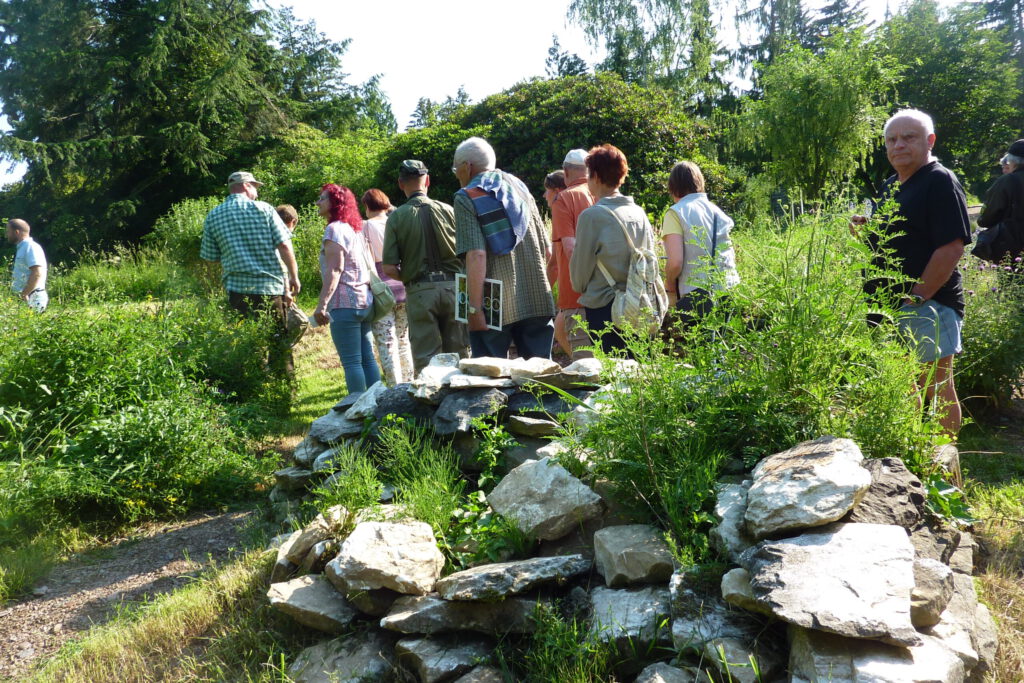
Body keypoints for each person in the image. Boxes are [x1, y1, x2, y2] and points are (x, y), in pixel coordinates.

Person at [852, 109, 971, 437]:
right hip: (886, 304)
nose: (898, 145)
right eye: (891, 140)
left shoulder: (938, 180)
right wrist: (864, 230)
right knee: (902, 383)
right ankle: (910, 455)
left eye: (909, 137)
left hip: (925, 303)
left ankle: (944, 464)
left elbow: (951, 246)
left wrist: (917, 295)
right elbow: (890, 240)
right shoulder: (891, 185)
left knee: (937, 386)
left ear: (930, 141)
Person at [453, 137, 555, 360]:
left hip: (493, 307)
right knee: (542, 382)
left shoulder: (466, 196)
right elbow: (547, 250)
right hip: (537, 297)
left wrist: (474, 309)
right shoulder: (519, 187)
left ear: (466, 167)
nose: (456, 174)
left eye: (455, 169)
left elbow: (476, 255)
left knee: (489, 385)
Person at [201, 171, 300, 375]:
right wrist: (294, 276)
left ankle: (251, 390)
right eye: (255, 186)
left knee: (244, 343)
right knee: (278, 342)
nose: (256, 190)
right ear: (246, 185)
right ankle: (283, 392)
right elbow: (284, 244)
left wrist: (235, 253)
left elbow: (210, 256)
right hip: (270, 288)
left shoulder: (214, 215)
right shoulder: (264, 209)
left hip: (237, 291)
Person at [569, 144, 658, 355]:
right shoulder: (639, 213)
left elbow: (578, 278)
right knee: (639, 373)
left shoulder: (592, 216)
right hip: (640, 304)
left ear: (596, 176)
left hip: (606, 307)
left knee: (612, 377)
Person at [382, 160, 469, 374]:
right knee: (461, 354)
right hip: (456, 288)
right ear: (427, 180)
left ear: (401, 184)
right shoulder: (449, 210)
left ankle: (430, 405)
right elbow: (468, 253)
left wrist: (410, 279)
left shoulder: (396, 217)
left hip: (419, 290)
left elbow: (390, 267)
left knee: (426, 361)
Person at [312, 184, 381, 394]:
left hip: (344, 304)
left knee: (352, 362)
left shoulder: (334, 229)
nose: (318, 202)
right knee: (368, 359)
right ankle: (378, 407)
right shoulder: (354, 229)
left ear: (335, 203)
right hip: (364, 301)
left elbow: (335, 270)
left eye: (322, 198)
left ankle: (358, 411)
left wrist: (322, 306)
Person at [661, 161, 740, 329]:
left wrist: (670, 286)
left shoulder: (676, 212)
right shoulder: (717, 211)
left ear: (673, 187)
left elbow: (675, 262)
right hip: (728, 289)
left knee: (698, 351)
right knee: (723, 349)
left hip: (696, 296)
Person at [362, 188, 414, 384]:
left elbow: (365, 258)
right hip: (404, 283)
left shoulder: (366, 226)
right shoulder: (398, 222)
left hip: (382, 288)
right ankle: (409, 384)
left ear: (367, 205)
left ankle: (394, 389)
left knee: (386, 342)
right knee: (403, 339)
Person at [550, 149, 595, 359]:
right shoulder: (602, 194)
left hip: (577, 296)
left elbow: (570, 250)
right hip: (607, 296)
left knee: (587, 369)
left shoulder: (564, 198)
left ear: (566, 172)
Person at [977, 139, 1024, 265]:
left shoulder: (1008, 181)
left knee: (1013, 282)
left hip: (1015, 250)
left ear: (1012, 160)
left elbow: (987, 217)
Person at [6, 219, 48, 312]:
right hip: (26, 297)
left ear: (17, 232)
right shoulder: (23, 247)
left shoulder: (30, 247)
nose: (7, 235)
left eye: (8, 231)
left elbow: (37, 273)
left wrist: (24, 294)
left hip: (32, 297)